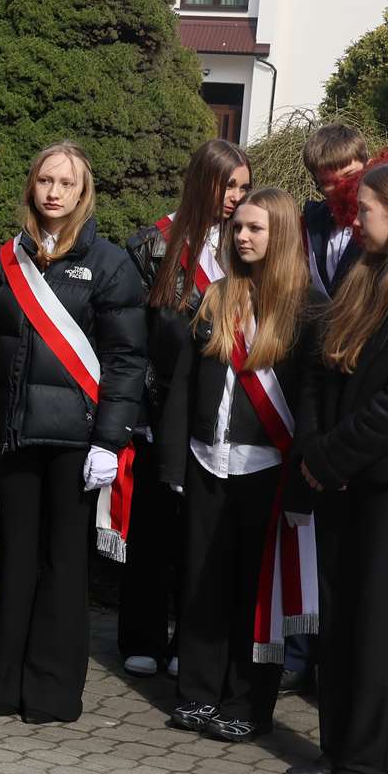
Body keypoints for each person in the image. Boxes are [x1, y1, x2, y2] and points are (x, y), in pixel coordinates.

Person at [0, 141, 147, 723]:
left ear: (84, 192)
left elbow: (126, 360)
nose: (54, 192)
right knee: (16, 560)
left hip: (77, 444)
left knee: (65, 566)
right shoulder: (4, 261)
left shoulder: (111, 264)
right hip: (16, 438)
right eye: (45, 180)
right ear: (32, 186)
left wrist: (110, 441)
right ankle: (4, 684)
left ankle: (52, 692)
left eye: (67, 183)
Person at [153, 187, 324, 744]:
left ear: (282, 235)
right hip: (207, 462)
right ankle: (197, 693)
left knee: (256, 595)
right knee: (202, 584)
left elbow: (310, 404)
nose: (242, 236)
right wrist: (173, 462)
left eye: (255, 228)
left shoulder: (306, 308)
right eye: (238, 227)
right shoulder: (217, 294)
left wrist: (302, 480)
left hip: (266, 471)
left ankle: (247, 703)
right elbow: (185, 384)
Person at [120, 140, 251, 678]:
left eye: (243, 187)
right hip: (158, 407)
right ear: (202, 181)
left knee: (200, 535)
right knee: (152, 528)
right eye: (227, 184)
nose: (236, 197)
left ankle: (187, 644)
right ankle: (142, 635)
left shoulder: (247, 243)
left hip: (217, 412)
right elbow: (132, 338)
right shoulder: (152, 244)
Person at [299, 160, 388, 774]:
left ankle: (365, 759)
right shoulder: (359, 273)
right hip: (336, 484)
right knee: (336, 625)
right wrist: (313, 450)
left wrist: (332, 456)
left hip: (382, 490)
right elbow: (319, 367)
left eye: (366, 211)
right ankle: (336, 751)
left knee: (375, 631)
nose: (354, 221)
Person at [302, 124, 367, 299]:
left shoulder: (385, 224)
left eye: (350, 175)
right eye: (330, 183)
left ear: (367, 167)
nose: (342, 187)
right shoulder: (309, 226)